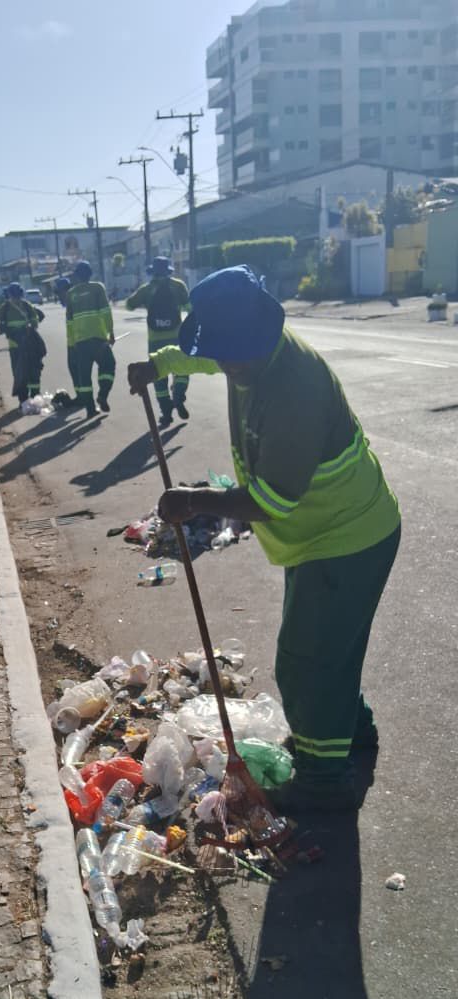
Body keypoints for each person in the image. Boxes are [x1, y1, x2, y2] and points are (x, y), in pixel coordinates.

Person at [128, 265, 401, 813]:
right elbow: (204, 354)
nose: (228, 366)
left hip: (346, 535)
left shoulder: (293, 386)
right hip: (318, 536)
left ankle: (322, 782)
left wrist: (195, 499)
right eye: (222, 355)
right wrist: (157, 365)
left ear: (259, 338)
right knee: (331, 650)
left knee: (306, 661)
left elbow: (272, 502)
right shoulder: (245, 348)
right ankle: (348, 737)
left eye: (234, 356)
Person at [126, 256, 190, 428]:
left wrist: (142, 299)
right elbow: (189, 307)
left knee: (158, 375)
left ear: (153, 271)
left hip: (155, 340)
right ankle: (178, 395)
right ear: (168, 270)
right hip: (177, 336)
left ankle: (166, 413)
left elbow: (129, 305)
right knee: (183, 369)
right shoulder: (178, 286)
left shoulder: (147, 289)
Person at [66, 261, 115, 417]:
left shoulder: (71, 294)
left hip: (80, 342)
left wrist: (72, 342)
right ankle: (103, 395)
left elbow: (69, 322)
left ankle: (90, 410)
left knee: (84, 376)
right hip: (99, 339)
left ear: (76, 276)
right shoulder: (97, 288)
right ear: (90, 274)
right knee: (108, 366)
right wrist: (110, 332)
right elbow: (106, 312)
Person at [0, 282, 45, 405]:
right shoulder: (23, 306)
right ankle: (30, 398)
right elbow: (35, 322)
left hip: (19, 346)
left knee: (24, 372)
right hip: (24, 345)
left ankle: (28, 398)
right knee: (29, 371)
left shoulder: (6, 307)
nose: (16, 298)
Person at [54, 275, 80, 407]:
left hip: (77, 344)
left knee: (78, 371)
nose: (59, 297)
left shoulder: (73, 301)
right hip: (73, 343)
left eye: (59, 293)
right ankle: (81, 397)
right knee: (75, 370)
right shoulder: (71, 301)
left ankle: (83, 398)